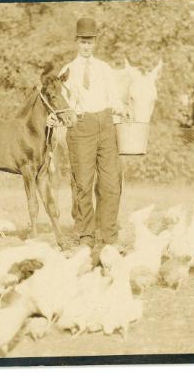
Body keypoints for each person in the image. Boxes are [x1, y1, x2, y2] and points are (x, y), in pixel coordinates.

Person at [48, 17, 125, 264]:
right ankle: (86, 237)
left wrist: (122, 109)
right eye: (83, 41)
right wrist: (53, 119)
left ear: (95, 42)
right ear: (76, 42)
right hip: (80, 127)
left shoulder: (104, 69)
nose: (86, 46)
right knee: (82, 183)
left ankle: (110, 238)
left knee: (111, 182)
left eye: (90, 41)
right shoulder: (66, 72)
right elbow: (57, 104)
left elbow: (115, 98)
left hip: (106, 124)